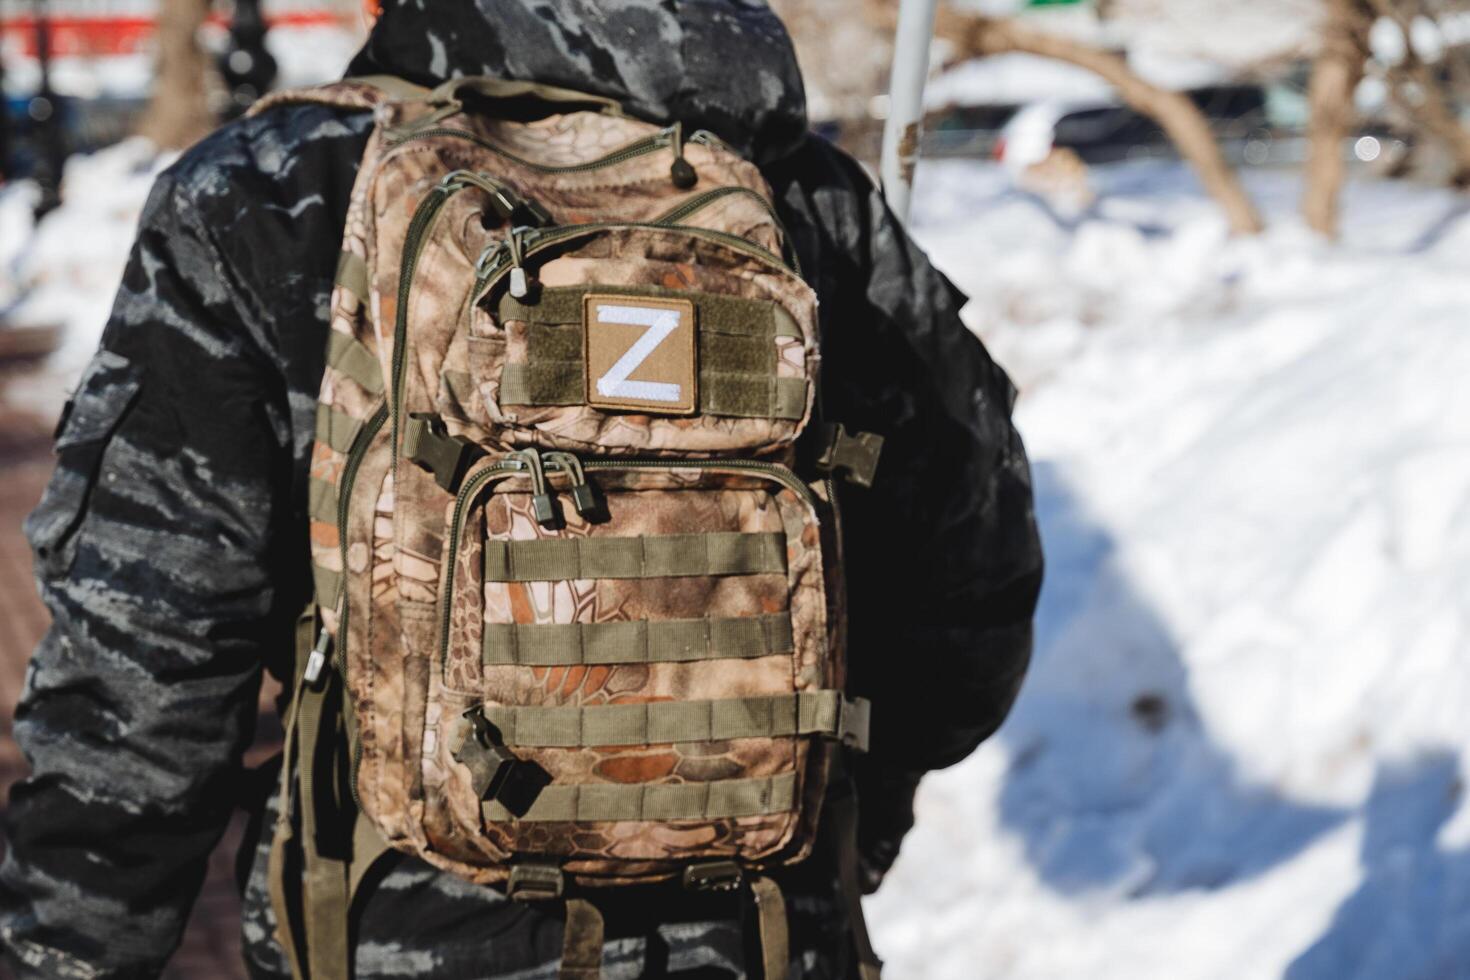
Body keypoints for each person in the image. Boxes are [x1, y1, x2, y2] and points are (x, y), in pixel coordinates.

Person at [0, 3, 1042, 977]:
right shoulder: (802, 195)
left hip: (400, 930)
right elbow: (974, 579)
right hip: (764, 927)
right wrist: (847, 799)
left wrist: (63, 949)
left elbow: (143, 669)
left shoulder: (276, 193)